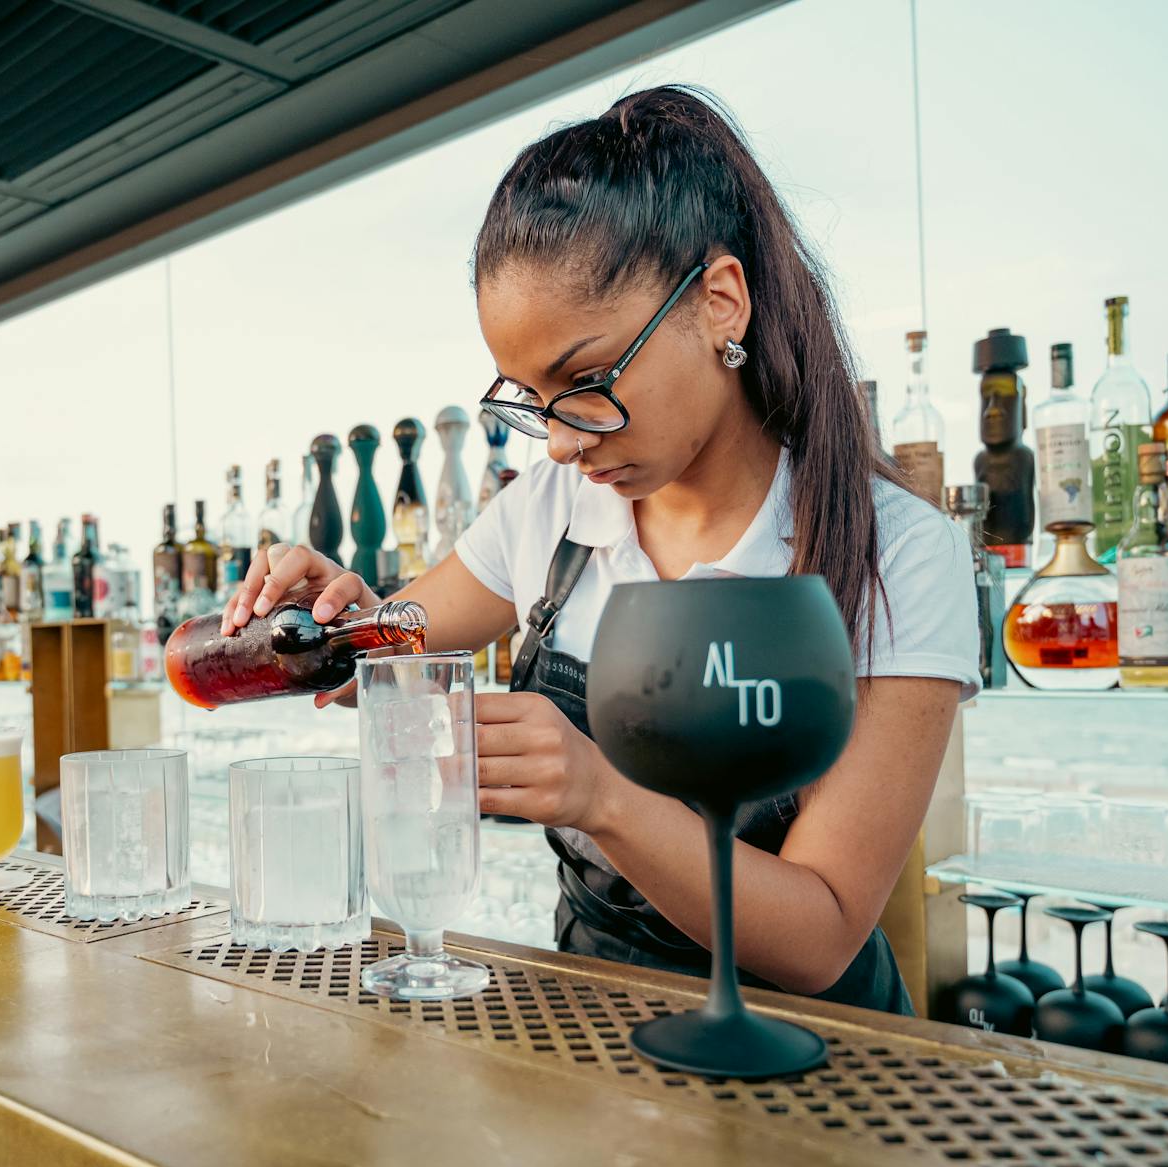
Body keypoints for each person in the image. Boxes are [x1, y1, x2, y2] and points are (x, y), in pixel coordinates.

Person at [223, 86, 976, 1015]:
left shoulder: (899, 555)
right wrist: (330, 624)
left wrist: (600, 794)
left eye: (586, 381)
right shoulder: (547, 513)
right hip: (589, 1024)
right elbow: (388, 647)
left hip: (815, 1062)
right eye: (531, 398)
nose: (560, 443)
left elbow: (820, 935)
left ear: (720, 304)